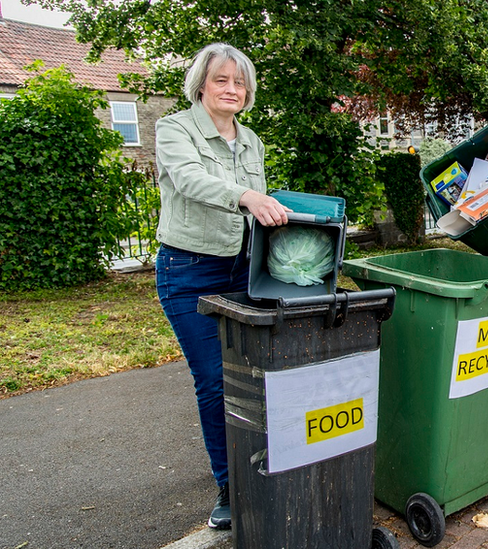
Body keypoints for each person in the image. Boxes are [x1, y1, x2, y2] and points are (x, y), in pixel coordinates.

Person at [154, 43, 291, 530]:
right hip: (189, 271)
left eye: (240, 82)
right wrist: (248, 195)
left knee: (256, 375)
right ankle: (230, 485)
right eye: (221, 80)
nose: (231, 89)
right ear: (202, 85)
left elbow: (261, 211)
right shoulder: (174, 129)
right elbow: (190, 181)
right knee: (215, 382)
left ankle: (261, 463)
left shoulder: (250, 139)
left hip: (243, 271)